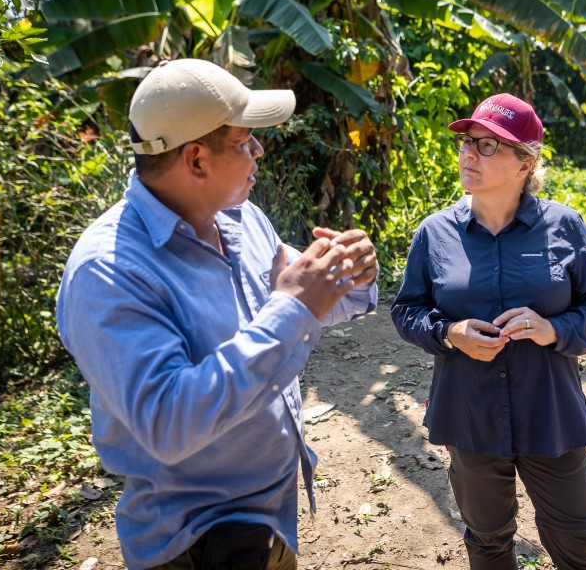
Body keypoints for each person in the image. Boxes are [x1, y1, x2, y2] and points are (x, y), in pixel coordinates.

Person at [55, 58, 378, 570]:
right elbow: (168, 422)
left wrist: (352, 275)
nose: (260, 151)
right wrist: (294, 306)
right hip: (195, 544)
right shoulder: (108, 271)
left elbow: (303, 296)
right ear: (197, 160)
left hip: (268, 522)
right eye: (245, 141)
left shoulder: (242, 218)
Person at [390, 93, 586, 570]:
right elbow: (407, 310)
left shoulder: (564, 226)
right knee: (488, 541)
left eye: (488, 145)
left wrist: (552, 328)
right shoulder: (435, 233)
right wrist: (450, 332)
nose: (468, 154)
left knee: (578, 545)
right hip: (470, 415)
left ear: (524, 163)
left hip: (549, 414)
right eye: (467, 143)